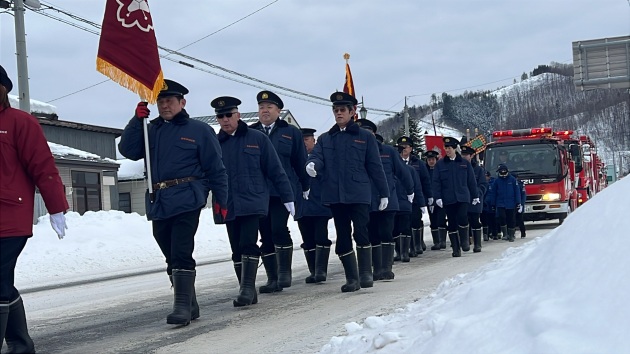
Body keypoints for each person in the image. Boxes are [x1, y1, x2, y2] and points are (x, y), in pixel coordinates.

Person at [118, 80, 228, 324]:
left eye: (170, 100)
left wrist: (221, 199)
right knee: (169, 253)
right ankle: (190, 303)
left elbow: (216, 168)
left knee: (180, 250)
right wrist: (136, 122)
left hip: (188, 198)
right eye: (161, 101)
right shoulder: (151, 129)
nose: (165, 105)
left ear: (182, 102)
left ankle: (182, 308)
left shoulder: (198, 130)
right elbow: (128, 150)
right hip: (159, 200)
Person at [1, 64, 69, 352]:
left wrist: (56, 207)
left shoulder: (20, 122)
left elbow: (43, 166)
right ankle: (20, 344)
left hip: (9, 217)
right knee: (2, 281)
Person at [211, 96, 294, 307]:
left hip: (253, 200)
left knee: (249, 242)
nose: (225, 119)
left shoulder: (257, 138)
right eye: (220, 116)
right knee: (236, 247)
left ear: (238, 115)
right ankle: (246, 288)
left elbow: (275, 170)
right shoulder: (215, 144)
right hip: (227, 202)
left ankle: (247, 290)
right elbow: (207, 174)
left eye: (229, 115)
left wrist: (287, 197)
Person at [306, 92, 389, 292]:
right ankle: (352, 278)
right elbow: (317, 156)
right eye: (336, 110)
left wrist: (384, 192)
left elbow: (375, 166)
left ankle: (365, 273)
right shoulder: (326, 138)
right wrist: (311, 164)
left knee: (361, 231)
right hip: (335, 195)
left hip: (358, 193)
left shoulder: (365, 138)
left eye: (343, 110)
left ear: (353, 112)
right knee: (343, 237)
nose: (338, 113)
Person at [249, 90, 310, 291]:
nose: (264, 111)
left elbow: (299, 161)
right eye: (261, 107)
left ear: (278, 110)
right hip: (259, 191)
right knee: (264, 232)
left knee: (278, 228)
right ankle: (272, 277)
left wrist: (305, 185)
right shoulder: (251, 133)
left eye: (269, 107)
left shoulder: (291, 132)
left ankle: (284, 271)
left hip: (282, 191)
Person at [356, 120, 413, 279]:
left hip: (388, 200)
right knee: (372, 234)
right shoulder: (357, 152)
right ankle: (377, 269)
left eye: (369, 132)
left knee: (386, 232)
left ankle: (386, 268)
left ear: (374, 134)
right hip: (367, 201)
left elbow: (403, 172)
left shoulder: (388, 151)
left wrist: (410, 190)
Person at [431, 137, 479, 257]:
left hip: (462, 196)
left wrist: (475, 195)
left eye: (449, 148)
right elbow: (436, 182)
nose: (447, 150)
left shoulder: (464, 163)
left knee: (463, 217)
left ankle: (464, 241)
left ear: (454, 149)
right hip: (448, 198)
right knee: (451, 223)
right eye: (445, 148)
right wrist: (438, 197)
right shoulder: (440, 164)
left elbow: (471, 181)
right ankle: (456, 249)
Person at [297, 128, 332, 283]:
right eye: (302, 140)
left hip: (319, 204)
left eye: (307, 140)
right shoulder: (296, 159)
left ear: (313, 141)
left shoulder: (322, 158)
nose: (304, 143)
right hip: (303, 205)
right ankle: (313, 271)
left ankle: (321, 271)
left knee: (320, 236)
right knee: (307, 238)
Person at [397, 136, 433, 255]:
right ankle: (405, 248)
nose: (404, 149)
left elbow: (425, 181)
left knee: (415, 220)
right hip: (400, 197)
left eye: (406, 147)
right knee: (402, 224)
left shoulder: (418, 163)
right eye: (401, 147)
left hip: (416, 198)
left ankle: (416, 245)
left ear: (411, 148)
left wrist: (429, 197)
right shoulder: (395, 162)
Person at [461, 146, 488, 253]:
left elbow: (483, 184)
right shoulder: (460, 167)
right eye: (462, 155)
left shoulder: (478, 170)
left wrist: (477, 194)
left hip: (475, 200)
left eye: (466, 155)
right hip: (463, 199)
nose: (464, 157)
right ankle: (466, 241)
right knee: (463, 220)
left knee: (475, 220)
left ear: (471, 156)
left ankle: (477, 244)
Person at [487, 164, 522, 242]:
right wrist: (493, 204)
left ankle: (511, 235)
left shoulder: (512, 180)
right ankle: (505, 234)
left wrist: (518, 202)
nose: (502, 173)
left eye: (504, 171)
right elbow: (494, 193)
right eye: (501, 172)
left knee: (511, 219)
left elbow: (517, 192)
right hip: (500, 203)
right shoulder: (497, 181)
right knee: (502, 217)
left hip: (511, 203)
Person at [424, 150, 448, 250]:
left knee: (441, 219)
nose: (431, 161)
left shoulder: (440, 169)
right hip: (430, 200)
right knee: (433, 220)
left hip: (440, 198)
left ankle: (442, 241)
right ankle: (436, 242)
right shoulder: (425, 171)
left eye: (433, 159)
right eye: (429, 160)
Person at [481, 171, 498, 240]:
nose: (485, 178)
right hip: (484, 205)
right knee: (485, 221)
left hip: (492, 204)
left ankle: (495, 234)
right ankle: (486, 234)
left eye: (486, 176)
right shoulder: (482, 183)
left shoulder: (493, 183)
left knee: (493, 220)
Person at [512, 171, 527, 238]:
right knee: (512, 220)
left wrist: (521, 204)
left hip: (519, 204)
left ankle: (523, 233)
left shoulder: (520, 184)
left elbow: (523, 195)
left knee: (520, 219)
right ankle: (512, 233)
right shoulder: (510, 184)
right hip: (512, 204)